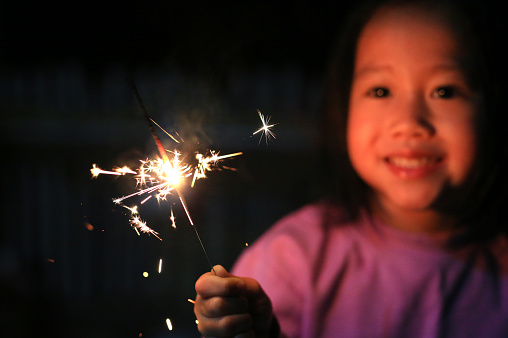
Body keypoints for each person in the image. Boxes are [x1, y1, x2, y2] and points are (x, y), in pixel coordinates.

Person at [193, 0, 508, 336]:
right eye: (381, 91)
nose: (410, 123)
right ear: (343, 107)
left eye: (444, 91)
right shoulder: (292, 263)